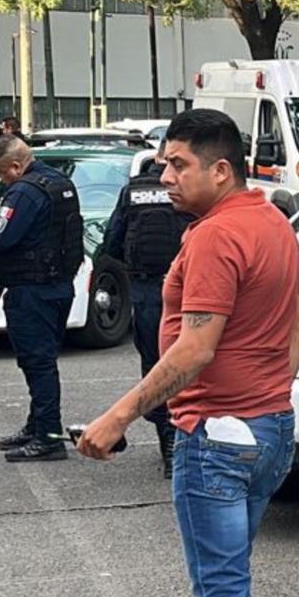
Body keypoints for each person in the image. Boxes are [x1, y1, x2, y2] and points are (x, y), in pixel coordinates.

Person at [78, 109, 299, 597]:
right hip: (267, 429)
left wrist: (118, 416)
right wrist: (271, 395)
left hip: (216, 439)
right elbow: (295, 322)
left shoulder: (215, 237)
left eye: (178, 165)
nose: (164, 176)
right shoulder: (272, 222)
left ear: (220, 169)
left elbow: (195, 347)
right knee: (227, 582)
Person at [0, 136, 83, 461]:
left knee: (37, 364)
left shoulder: (23, 191)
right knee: (42, 360)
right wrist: (0, 211)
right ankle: (37, 425)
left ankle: (49, 436)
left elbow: (0, 238)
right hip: (58, 285)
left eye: (1, 173)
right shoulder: (59, 183)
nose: (0, 180)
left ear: (15, 165)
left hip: (31, 289)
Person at [102, 141, 193, 477]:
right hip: (188, 286)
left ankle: (168, 443)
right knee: (191, 359)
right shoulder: (193, 192)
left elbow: (113, 240)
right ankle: (184, 441)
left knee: (156, 364)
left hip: (146, 289)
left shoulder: (134, 192)